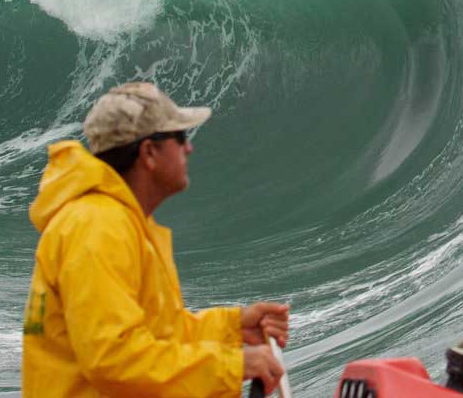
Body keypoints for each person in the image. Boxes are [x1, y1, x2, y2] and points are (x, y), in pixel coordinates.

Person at [22, 82, 289, 397]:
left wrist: (233, 329)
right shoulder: (98, 226)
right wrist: (232, 366)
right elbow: (114, 359)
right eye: (180, 137)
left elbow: (159, 336)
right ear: (149, 152)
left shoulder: (122, 221)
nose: (188, 148)